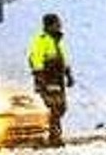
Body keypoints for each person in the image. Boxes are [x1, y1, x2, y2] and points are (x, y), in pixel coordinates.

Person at [28, 13, 74, 147]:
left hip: (58, 79)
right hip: (47, 79)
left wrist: (68, 74)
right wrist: (40, 78)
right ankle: (54, 137)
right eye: (57, 23)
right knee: (54, 107)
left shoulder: (57, 41)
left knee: (61, 107)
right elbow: (35, 59)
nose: (60, 25)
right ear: (49, 25)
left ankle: (51, 134)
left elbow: (63, 60)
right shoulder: (41, 40)